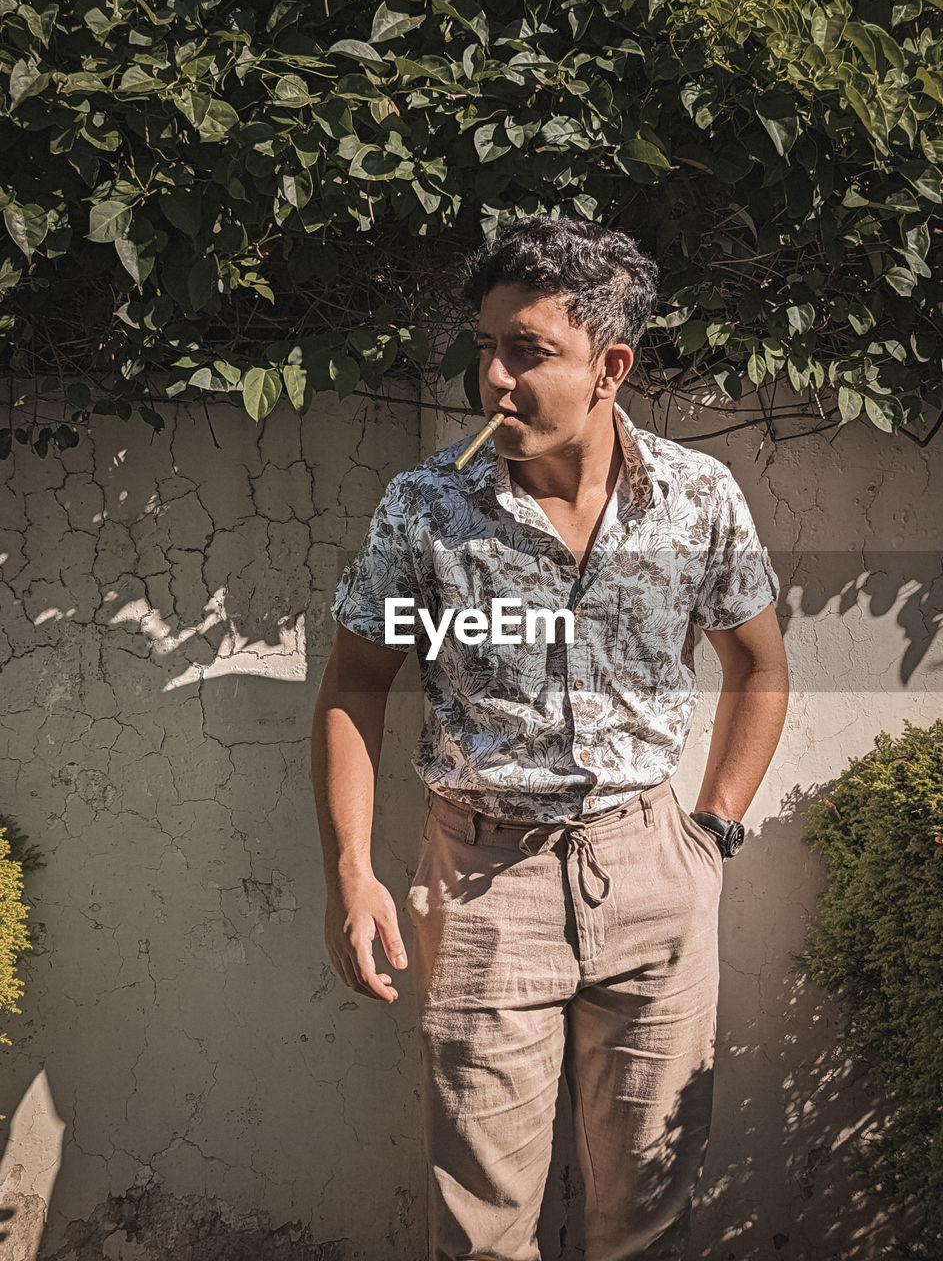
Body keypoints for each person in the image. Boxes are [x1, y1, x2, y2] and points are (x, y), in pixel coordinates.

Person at [311, 214, 790, 1261]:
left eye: (526, 351)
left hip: (652, 868)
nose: (493, 377)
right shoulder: (427, 509)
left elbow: (757, 666)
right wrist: (352, 871)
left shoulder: (695, 500)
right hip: (486, 883)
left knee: (649, 1218)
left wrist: (711, 836)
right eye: (485, 347)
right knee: (482, 1233)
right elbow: (354, 684)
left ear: (609, 365)